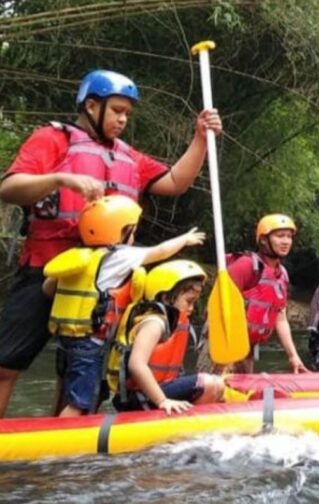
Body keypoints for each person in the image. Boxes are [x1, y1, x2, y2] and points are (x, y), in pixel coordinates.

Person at [0, 69, 221, 417]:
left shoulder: (127, 155)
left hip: (102, 283)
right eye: (117, 110)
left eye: (127, 114)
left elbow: (176, 181)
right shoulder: (53, 139)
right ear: (91, 105)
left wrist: (199, 137)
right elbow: (9, 188)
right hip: (44, 268)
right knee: (7, 365)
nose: (122, 119)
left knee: (78, 373)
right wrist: (60, 178)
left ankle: (59, 445)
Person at [42, 196, 205, 416]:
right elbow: (159, 251)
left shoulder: (78, 258)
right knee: (82, 401)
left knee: (68, 393)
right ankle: (57, 445)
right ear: (122, 231)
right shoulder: (119, 256)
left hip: (64, 339)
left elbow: (48, 289)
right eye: (133, 230)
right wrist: (184, 239)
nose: (134, 236)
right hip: (90, 343)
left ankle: (51, 430)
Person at [108, 260, 225, 414]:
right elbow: (136, 365)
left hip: (159, 388)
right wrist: (162, 400)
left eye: (194, 302)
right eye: (189, 301)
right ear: (165, 297)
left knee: (218, 384)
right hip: (137, 397)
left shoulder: (173, 323)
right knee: (210, 384)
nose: (191, 308)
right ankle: (189, 427)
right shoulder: (154, 323)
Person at [214, 213, 307, 374]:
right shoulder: (246, 265)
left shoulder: (282, 274)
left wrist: (293, 356)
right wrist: (226, 356)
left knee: (244, 394)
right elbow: (220, 306)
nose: (286, 241)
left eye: (289, 237)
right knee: (217, 391)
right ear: (263, 239)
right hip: (223, 344)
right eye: (280, 236)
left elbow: (281, 318)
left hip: (247, 346)